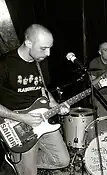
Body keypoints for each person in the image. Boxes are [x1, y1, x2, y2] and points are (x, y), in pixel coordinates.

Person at [0, 24, 70, 174]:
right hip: (18, 125)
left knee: (62, 160)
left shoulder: (41, 61)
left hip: (43, 119)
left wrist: (55, 105)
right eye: (44, 48)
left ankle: (18, 164)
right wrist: (22, 118)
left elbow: (42, 89)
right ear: (29, 43)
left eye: (50, 48)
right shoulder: (4, 64)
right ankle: (23, 165)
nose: (48, 53)